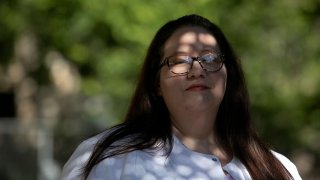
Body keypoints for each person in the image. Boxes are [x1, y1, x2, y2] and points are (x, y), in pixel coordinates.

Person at [61, 14, 302, 180]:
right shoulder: (109, 158)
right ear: (156, 82)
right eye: (179, 60)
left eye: (210, 58)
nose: (197, 70)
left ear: (229, 76)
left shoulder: (278, 168)